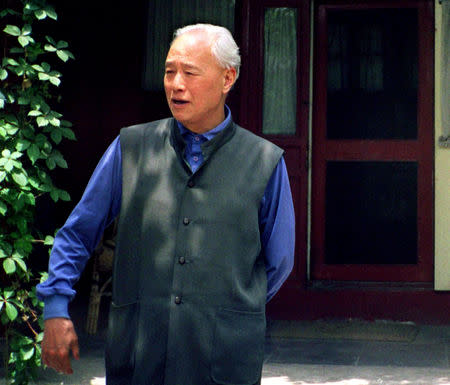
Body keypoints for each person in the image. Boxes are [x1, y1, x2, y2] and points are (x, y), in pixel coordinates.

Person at [37, 23, 295, 385]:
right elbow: (78, 233)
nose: (176, 84)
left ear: (228, 78)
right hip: (140, 358)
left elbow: (279, 262)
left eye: (190, 73)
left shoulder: (264, 161)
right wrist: (56, 307)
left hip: (224, 362)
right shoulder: (131, 148)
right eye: (169, 71)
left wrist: (228, 310)